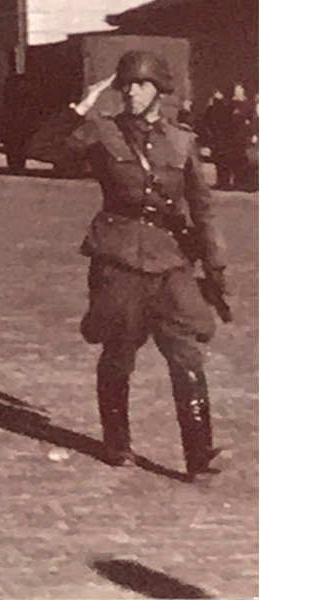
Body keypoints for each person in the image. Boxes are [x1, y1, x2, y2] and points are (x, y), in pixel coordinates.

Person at [29, 51, 229, 479]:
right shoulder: (102, 134)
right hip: (118, 258)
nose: (131, 93)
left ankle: (199, 452)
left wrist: (216, 270)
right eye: (126, 86)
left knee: (186, 355)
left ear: (159, 90)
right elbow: (42, 149)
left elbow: (203, 210)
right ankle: (117, 441)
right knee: (119, 352)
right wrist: (80, 107)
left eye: (140, 85)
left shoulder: (182, 141)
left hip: (169, 261)